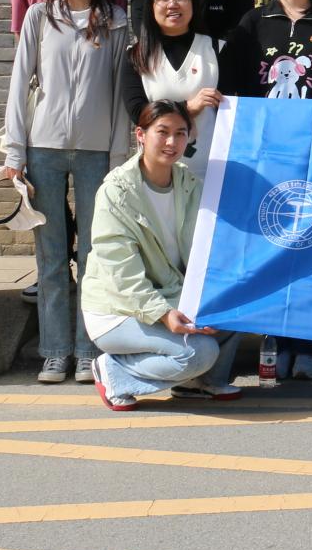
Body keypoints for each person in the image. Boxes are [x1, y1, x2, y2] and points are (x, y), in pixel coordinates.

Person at [1, 0, 129, 385]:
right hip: (44, 148)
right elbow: (20, 82)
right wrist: (15, 151)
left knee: (96, 254)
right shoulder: (40, 16)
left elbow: (120, 90)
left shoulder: (116, 19)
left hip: (97, 152)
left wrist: (119, 154)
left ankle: (89, 350)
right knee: (51, 256)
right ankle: (55, 352)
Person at [217, 0, 312, 381]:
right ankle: (272, 337)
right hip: (265, 153)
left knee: (311, 246)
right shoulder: (253, 24)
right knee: (269, 245)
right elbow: (231, 86)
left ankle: (307, 344)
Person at [82, 100, 246, 411]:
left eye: (180, 133)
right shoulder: (116, 192)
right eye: (163, 132)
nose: (172, 142)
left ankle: (198, 385)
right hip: (116, 309)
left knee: (234, 307)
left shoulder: (188, 184)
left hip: (170, 294)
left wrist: (209, 302)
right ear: (141, 135)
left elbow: (207, 249)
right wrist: (163, 313)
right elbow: (121, 273)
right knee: (198, 352)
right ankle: (115, 372)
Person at [120, 0, 224, 182]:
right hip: (156, 174)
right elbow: (139, 112)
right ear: (151, 6)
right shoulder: (136, 56)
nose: (172, 4)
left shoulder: (217, 49)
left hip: (212, 171)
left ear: (193, 2)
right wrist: (187, 108)